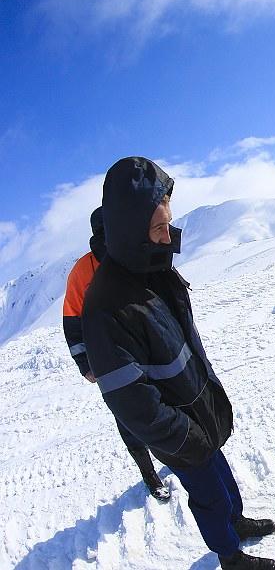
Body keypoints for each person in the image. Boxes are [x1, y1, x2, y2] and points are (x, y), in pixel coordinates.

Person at [81, 157, 275, 570]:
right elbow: (133, 404)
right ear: (132, 231)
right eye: (158, 228)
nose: (168, 235)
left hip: (197, 407)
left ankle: (236, 523)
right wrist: (186, 437)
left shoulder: (152, 267)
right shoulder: (106, 307)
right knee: (208, 495)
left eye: (167, 223)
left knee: (223, 480)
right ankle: (230, 557)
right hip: (178, 429)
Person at [63, 206, 170, 501]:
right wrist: (85, 363)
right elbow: (73, 321)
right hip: (111, 357)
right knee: (132, 416)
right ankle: (151, 474)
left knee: (151, 408)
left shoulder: (134, 254)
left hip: (142, 347)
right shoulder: (83, 271)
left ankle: (175, 455)